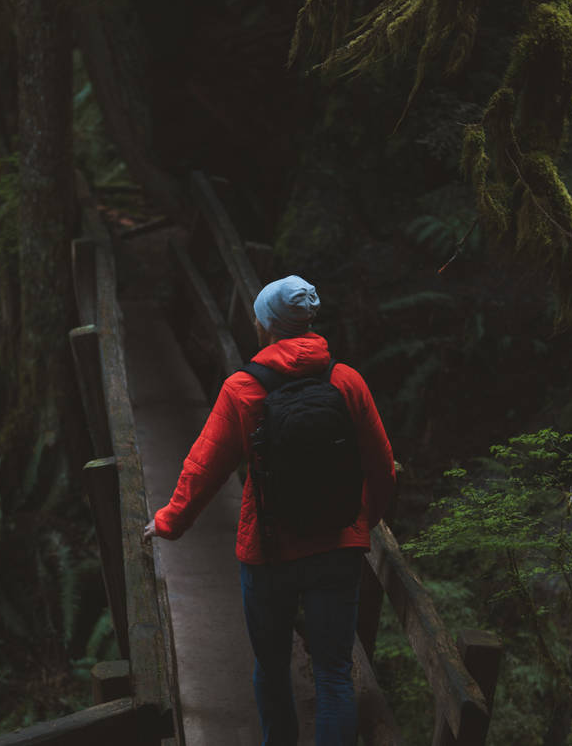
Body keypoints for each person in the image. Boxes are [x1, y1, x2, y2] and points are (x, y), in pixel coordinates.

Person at [143, 275, 396, 745]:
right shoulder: (347, 381)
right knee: (334, 675)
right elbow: (383, 467)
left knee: (272, 666)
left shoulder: (243, 388)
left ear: (265, 327)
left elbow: (204, 466)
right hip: (337, 549)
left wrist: (169, 521)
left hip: (268, 551)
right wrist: (364, 520)